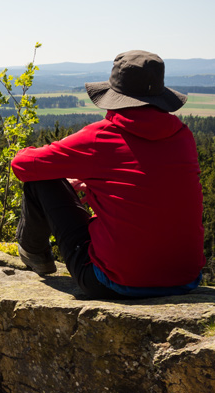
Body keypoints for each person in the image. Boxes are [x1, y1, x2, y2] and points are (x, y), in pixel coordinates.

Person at [11, 50, 205, 299]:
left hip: (113, 281)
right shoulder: (182, 137)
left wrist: (68, 169)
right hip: (186, 279)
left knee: (40, 179)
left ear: (115, 96)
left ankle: (34, 254)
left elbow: (23, 166)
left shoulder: (101, 136)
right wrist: (95, 182)